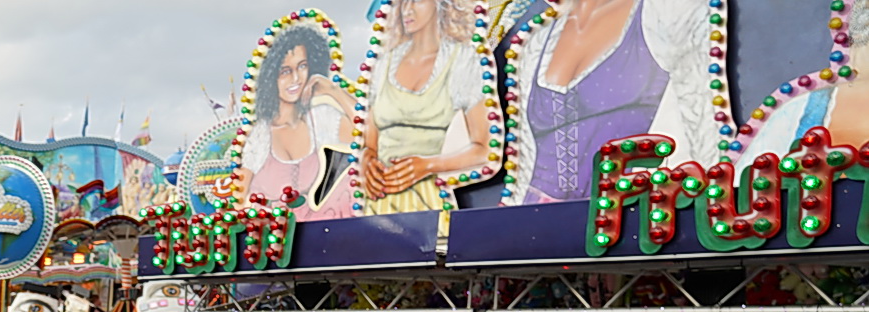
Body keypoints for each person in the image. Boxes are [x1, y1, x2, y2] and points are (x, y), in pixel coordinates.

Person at [507, 0, 716, 205]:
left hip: (625, 217)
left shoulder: (668, 13)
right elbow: (523, 161)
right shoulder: (535, 41)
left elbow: (704, 128)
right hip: (532, 220)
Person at [358, 0, 494, 215]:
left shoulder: (461, 60)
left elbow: (485, 150)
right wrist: (365, 159)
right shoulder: (383, 63)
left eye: (418, 0)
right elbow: (369, 144)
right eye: (402, 2)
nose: (408, 9)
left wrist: (427, 165)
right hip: (374, 205)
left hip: (427, 205)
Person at [236, 18, 355, 219]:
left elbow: (368, 135)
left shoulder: (320, 118)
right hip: (272, 237)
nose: (296, 78)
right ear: (271, 79)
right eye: (285, 71)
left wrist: (333, 91)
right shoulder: (260, 134)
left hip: (319, 230)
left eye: (302, 66)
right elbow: (239, 199)